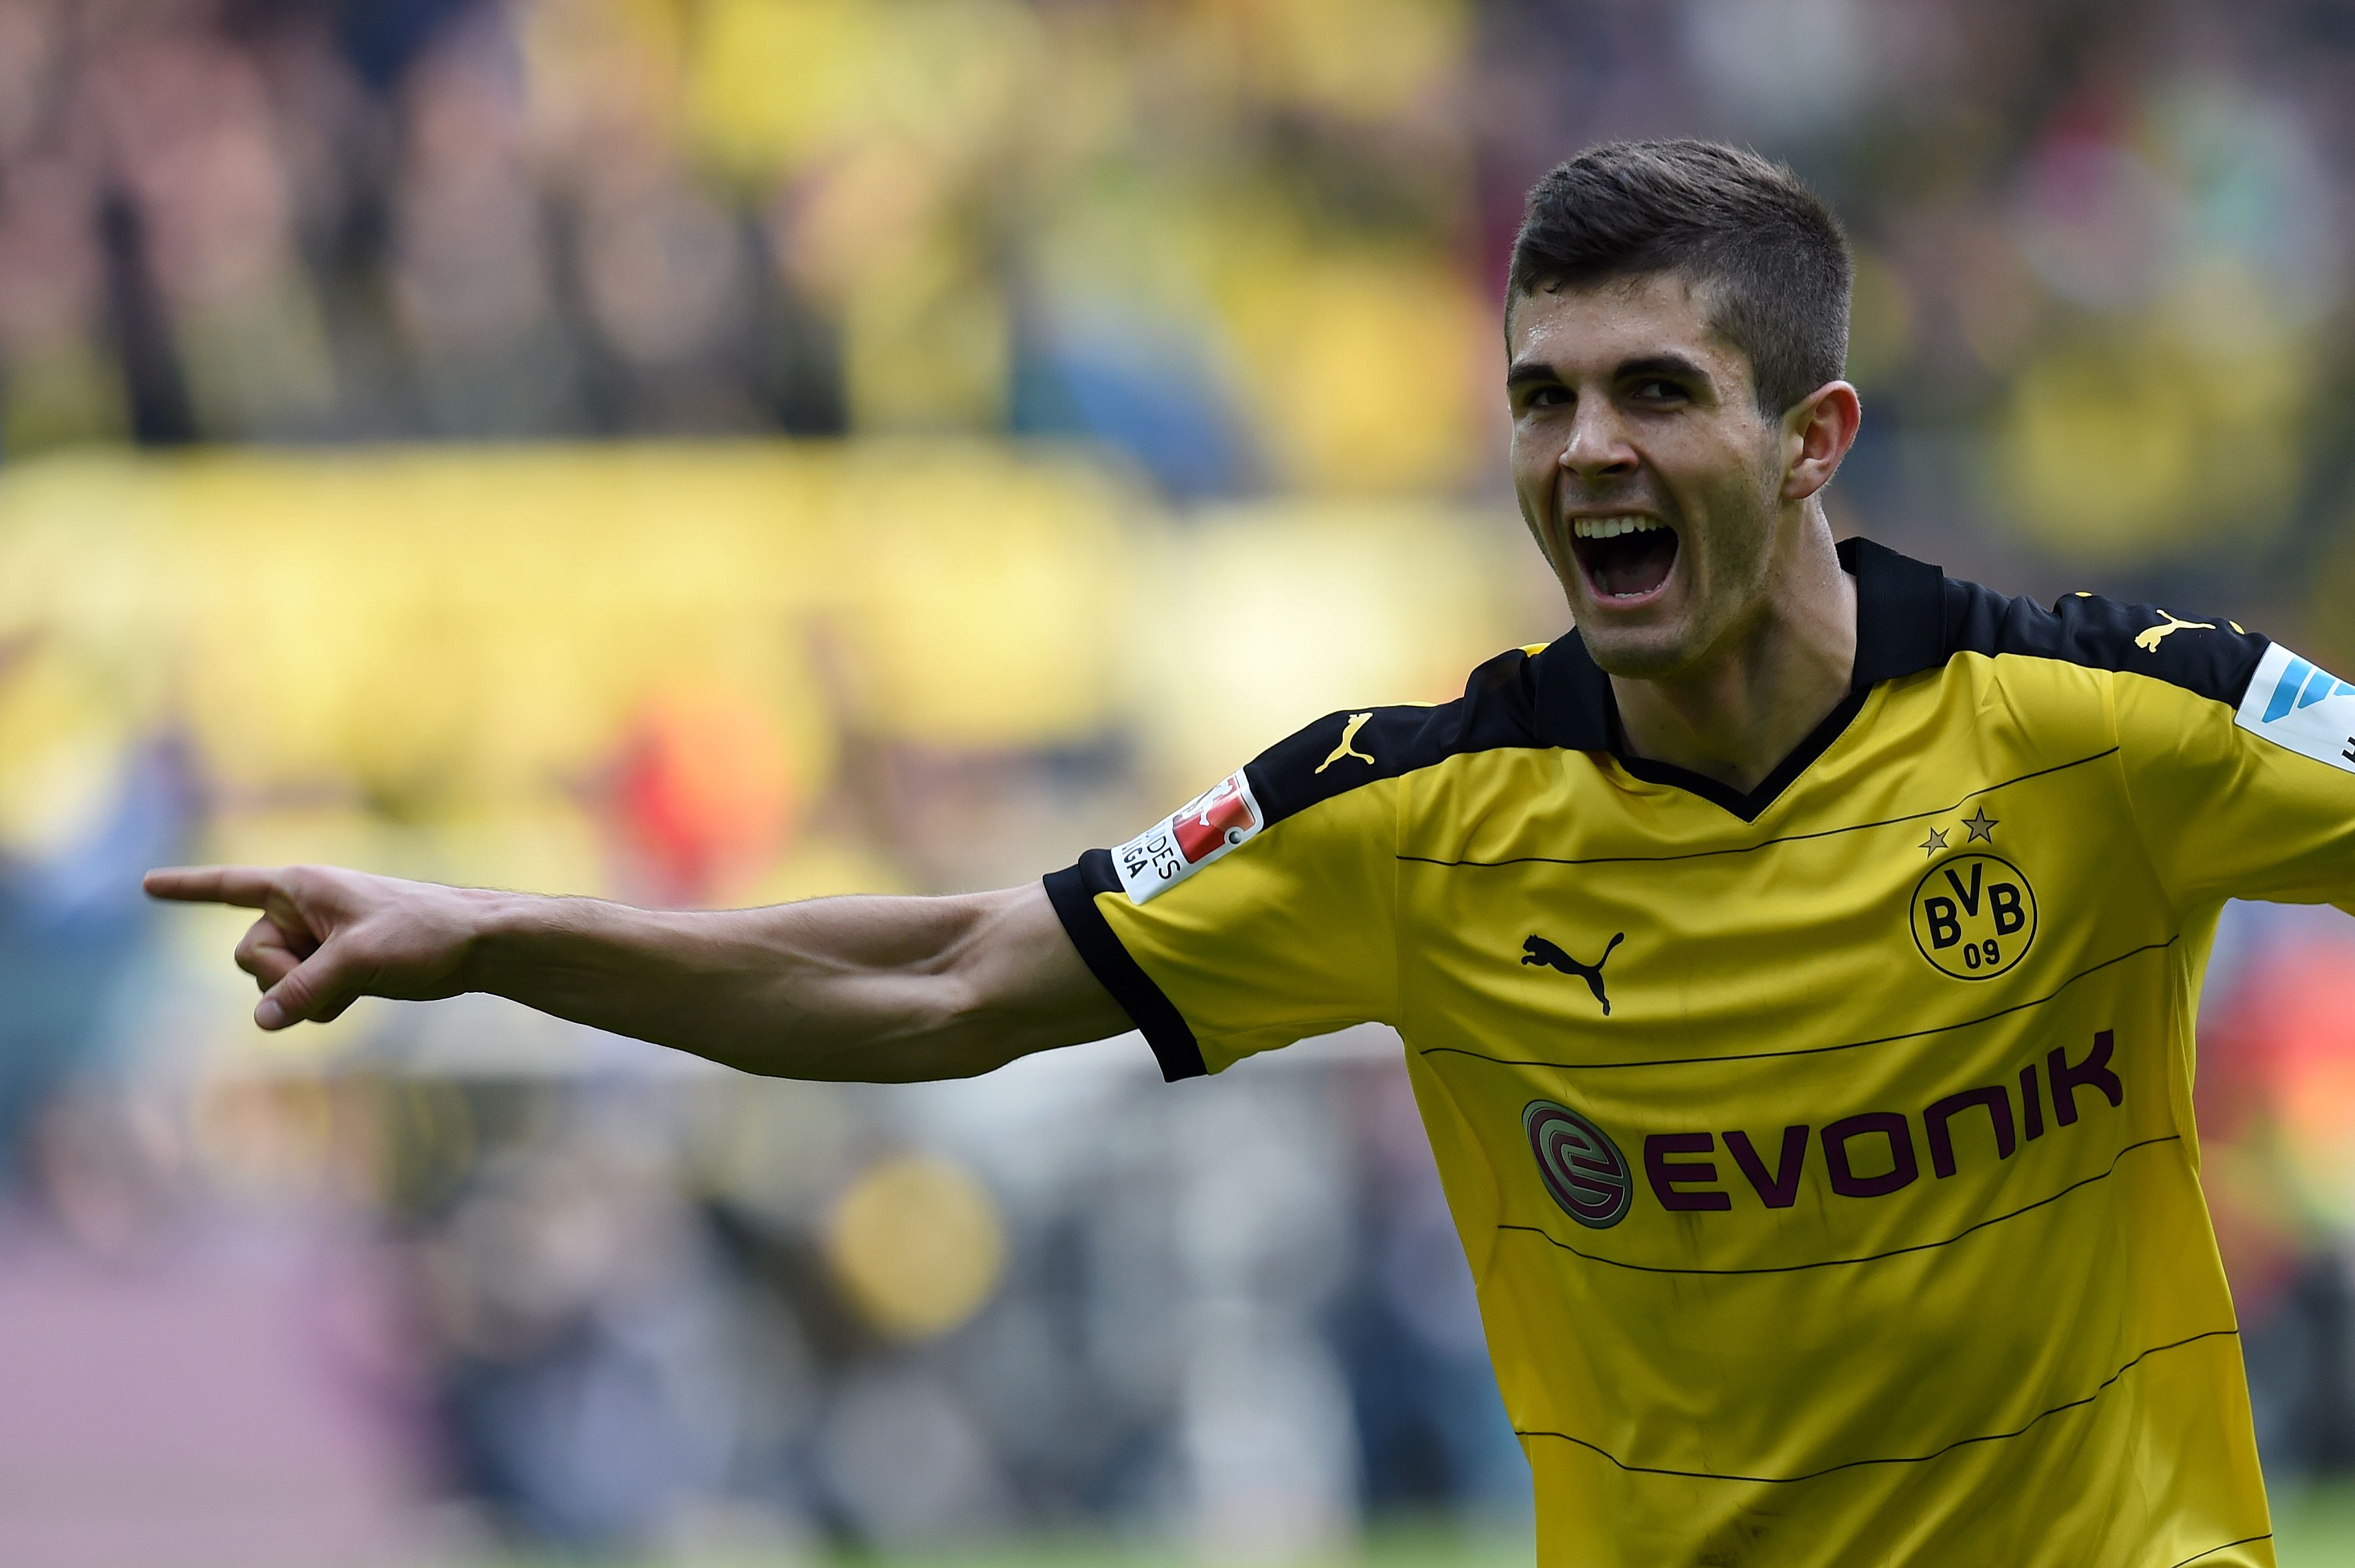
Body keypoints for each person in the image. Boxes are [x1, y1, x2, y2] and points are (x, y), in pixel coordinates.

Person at [145, 140, 2350, 1567]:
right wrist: (495, 934)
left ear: (1810, 441)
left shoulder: (2109, 726)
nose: (1585, 450)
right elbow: (937, 980)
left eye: (1656, 393)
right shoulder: (1409, 821)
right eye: (1539, 396)